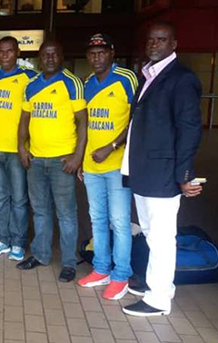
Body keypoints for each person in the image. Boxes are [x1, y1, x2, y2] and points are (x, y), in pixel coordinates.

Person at [122, 22, 203, 317]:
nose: (154, 44)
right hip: (145, 171)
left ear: (174, 44)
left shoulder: (181, 79)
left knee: (161, 236)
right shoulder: (149, 75)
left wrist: (184, 175)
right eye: (151, 39)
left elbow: (190, 129)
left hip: (164, 173)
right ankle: (160, 288)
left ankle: (158, 300)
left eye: (161, 40)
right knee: (150, 232)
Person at [16, 41, 87, 283]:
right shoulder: (31, 85)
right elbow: (24, 120)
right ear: (39, 58)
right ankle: (40, 255)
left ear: (62, 56)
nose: (49, 58)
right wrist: (21, 148)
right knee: (40, 210)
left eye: (54, 54)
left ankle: (68, 263)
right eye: (45, 55)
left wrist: (78, 155)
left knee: (66, 213)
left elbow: (83, 123)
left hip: (62, 160)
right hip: (36, 159)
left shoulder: (72, 82)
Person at [76, 33, 137, 300]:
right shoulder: (87, 83)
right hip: (91, 166)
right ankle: (101, 269)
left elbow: (136, 119)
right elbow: (85, 126)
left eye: (101, 52)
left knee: (120, 222)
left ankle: (121, 275)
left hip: (116, 164)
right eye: (92, 53)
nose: (96, 57)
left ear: (112, 53)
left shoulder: (126, 78)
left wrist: (112, 146)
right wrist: (81, 158)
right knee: (97, 219)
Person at [0, 36, 37, 261]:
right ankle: (2, 239)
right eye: (1, 51)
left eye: (9, 51)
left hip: (16, 149)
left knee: (19, 198)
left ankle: (18, 242)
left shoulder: (30, 78)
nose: (5, 55)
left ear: (18, 52)